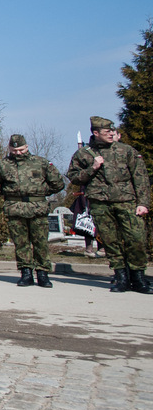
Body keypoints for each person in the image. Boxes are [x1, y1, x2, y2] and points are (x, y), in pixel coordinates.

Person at [67, 116, 152, 294]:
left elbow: (141, 178)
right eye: (107, 132)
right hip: (100, 203)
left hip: (127, 202)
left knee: (136, 239)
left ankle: (138, 277)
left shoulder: (126, 151)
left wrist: (143, 203)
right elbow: (74, 177)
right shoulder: (84, 154)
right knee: (110, 241)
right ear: (96, 133)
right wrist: (93, 168)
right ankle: (120, 276)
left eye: (113, 131)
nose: (112, 134)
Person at [0, 134, 65, 288]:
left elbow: (58, 184)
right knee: (21, 243)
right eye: (14, 150)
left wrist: (40, 191)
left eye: (21, 149)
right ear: (9, 148)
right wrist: (11, 192)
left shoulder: (41, 163)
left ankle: (43, 273)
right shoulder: (2, 165)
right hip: (15, 208)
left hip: (37, 208)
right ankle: (26, 273)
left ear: (27, 147)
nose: (18, 153)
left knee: (40, 243)